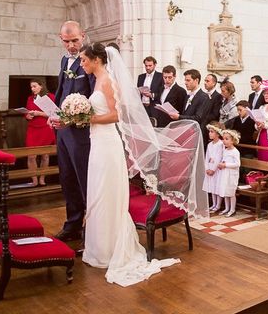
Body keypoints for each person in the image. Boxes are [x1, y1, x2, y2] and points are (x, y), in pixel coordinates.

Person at [79, 43, 200, 286]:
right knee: (98, 191)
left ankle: (110, 248)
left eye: (84, 60)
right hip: (98, 141)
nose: (82, 64)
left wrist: (87, 118)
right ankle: (98, 247)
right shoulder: (97, 78)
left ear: (96, 59)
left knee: (106, 192)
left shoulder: (107, 80)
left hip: (107, 141)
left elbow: (116, 115)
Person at [51, 20, 95, 243]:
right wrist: (53, 113)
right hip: (63, 132)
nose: (71, 46)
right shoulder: (63, 61)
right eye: (67, 41)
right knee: (67, 179)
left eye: (75, 40)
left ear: (83, 36)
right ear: (61, 40)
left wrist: (73, 118)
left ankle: (93, 227)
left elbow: (95, 100)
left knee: (84, 180)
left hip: (81, 133)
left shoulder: (89, 61)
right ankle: (73, 225)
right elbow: (61, 92)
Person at [24, 78, 56, 186]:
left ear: (41, 86)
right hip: (33, 128)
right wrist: (28, 116)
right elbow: (27, 112)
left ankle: (42, 179)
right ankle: (34, 180)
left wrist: (38, 113)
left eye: (34, 86)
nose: (32, 89)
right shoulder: (30, 98)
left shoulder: (50, 97)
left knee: (45, 155)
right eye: (31, 87)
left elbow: (55, 114)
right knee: (31, 156)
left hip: (45, 128)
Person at [216, 129, 241, 217]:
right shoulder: (226, 150)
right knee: (226, 191)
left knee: (231, 192)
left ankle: (232, 209)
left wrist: (226, 165)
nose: (224, 141)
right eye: (223, 139)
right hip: (225, 173)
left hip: (232, 175)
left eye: (227, 139)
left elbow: (237, 164)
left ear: (233, 140)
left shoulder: (235, 152)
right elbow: (224, 159)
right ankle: (227, 208)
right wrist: (221, 164)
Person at [203, 122, 226, 213]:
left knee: (217, 187)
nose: (209, 133)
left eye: (212, 132)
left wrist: (213, 169)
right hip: (210, 167)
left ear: (217, 133)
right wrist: (207, 168)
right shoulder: (209, 145)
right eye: (209, 132)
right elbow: (207, 157)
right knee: (212, 186)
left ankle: (218, 205)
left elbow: (219, 157)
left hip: (217, 169)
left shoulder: (220, 144)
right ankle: (213, 204)